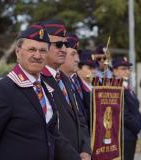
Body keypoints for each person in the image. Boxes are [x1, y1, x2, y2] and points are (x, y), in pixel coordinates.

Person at [0, 22, 80, 160]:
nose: (37, 55)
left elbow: (52, 135)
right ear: (18, 52)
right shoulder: (2, 90)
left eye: (42, 50)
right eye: (31, 49)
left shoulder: (45, 88)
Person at [41, 20, 91, 160]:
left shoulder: (65, 79)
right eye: (58, 45)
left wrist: (86, 150)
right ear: (44, 46)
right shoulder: (38, 80)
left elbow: (80, 121)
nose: (63, 49)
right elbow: (49, 130)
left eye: (65, 45)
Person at [112, 57, 141, 160]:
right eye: (123, 69)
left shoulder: (126, 86)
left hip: (130, 134)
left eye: (128, 69)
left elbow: (135, 109)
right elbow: (123, 114)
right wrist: (139, 127)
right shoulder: (115, 88)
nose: (127, 71)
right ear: (114, 71)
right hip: (123, 135)